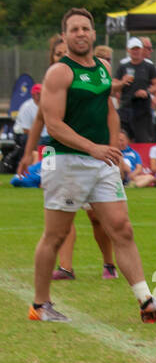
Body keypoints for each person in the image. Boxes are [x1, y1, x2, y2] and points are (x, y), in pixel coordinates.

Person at [30, 8, 156, 323]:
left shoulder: (102, 68)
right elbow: (54, 125)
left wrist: (113, 150)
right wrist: (93, 148)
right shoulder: (59, 72)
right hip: (66, 161)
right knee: (55, 236)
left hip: (100, 162)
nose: (81, 34)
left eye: (85, 28)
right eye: (74, 30)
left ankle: (147, 302)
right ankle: (40, 306)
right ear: (65, 36)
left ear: (94, 34)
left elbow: (109, 110)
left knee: (122, 229)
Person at [18, 37, 119, 283]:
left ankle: (109, 263)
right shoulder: (53, 83)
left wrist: (112, 147)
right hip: (57, 153)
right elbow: (40, 121)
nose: (62, 55)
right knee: (62, 213)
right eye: (58, 53)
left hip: (92, 152)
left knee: (97, 216)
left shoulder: (91, 76)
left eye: (65, 51)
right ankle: (66, 268)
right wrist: (26, 154)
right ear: (52, 57)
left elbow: (109, 110)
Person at [114, 38, 156, 142]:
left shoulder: (149, 66)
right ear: (128, 50)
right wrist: (122, 83)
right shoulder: (123, 67)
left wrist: (147, 92)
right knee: (123, 139)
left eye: (137, 48)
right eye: (133, 49)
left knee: (143, 139)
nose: (135, 51)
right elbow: (113, 86)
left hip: (142, 110)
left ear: (142, 49)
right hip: (126, 108)